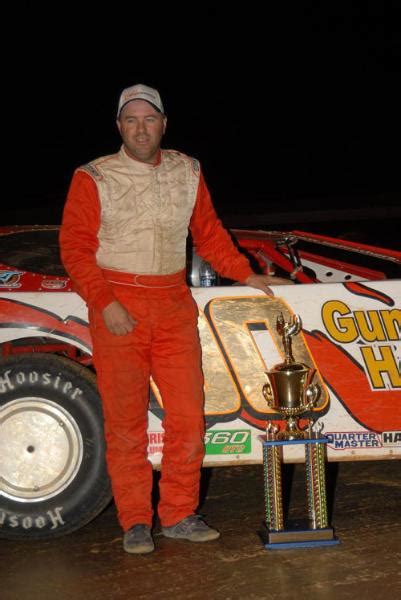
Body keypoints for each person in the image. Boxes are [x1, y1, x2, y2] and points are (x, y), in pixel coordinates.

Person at [59, 83, 281, 554]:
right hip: (118, 303)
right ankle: (135, 521)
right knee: (126, 424)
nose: (141, 129)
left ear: (164, 123)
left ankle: (179, 513)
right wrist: (105, 302)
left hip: (173, 303)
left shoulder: (188, 170)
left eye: (149, 119)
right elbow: (75, 249)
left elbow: (210, 234)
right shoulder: (94, 176)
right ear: (119, 126)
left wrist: (246, 273)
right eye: (131, 120)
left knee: (188, 418)